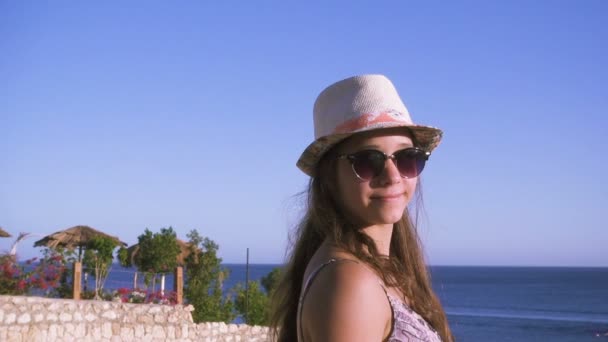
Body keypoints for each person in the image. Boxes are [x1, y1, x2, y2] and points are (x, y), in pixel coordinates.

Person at [269, 74, 453, 342]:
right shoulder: (352, 284)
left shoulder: (381, 272)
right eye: (369, 160)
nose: (392, 176)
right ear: (329, 177)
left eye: (407, 158)